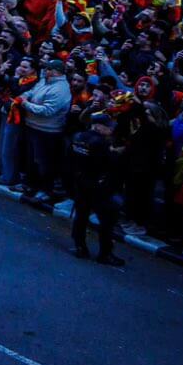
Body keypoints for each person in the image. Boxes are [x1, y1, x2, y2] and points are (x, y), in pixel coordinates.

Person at [67, 111, 128, 267]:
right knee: (107, 220)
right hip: (98, 185)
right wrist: (115, 154)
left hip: (80, 182)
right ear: (99, 126)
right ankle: (105, 253)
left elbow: (69, 158)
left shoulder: (78, 137)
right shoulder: (101, 143)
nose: (111, 130)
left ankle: (79, 246)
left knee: (81, 215)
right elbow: (108, 164)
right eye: (108, 127)